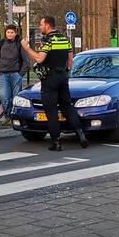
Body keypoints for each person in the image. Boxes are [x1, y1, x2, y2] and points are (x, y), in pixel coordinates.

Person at [21, 16, 87, 151]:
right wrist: (65, 72)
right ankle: (81, 135)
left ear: (47, 25)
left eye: (41, 25)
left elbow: (39, 59)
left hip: (49, 79)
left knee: (51, 111)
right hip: (63, 76)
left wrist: (26, 48)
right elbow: (70, 60)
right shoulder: (65, 39)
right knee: (67, 107)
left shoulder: (48, 40)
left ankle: (56, 142)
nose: (40, 27)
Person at [0, 23, 29, 116]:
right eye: (8, 32)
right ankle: (9, 116)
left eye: (12, 32)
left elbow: (26, 60)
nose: (10, 34)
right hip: (2, 75)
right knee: (4, 98)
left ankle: (15, 117)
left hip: (15, 75)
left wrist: (20, 74)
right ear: (5, 33)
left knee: (16, 98)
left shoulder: (20, 43)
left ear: (15, 33)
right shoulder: (1, 43)